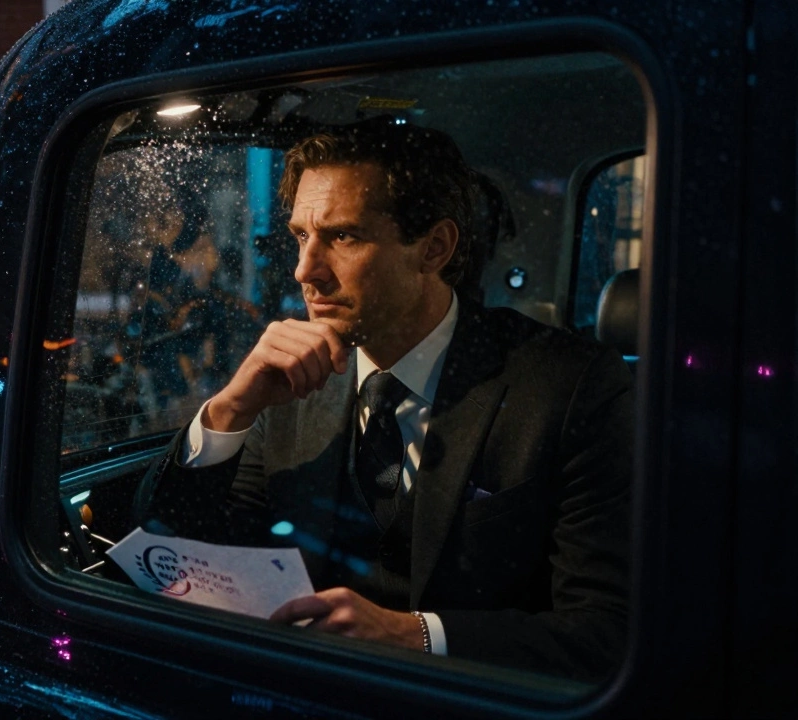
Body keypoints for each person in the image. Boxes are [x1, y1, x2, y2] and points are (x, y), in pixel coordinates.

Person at [134, 117, 633, 681]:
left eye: (343, 236)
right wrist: (229, 411)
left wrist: (416, 636)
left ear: (434, 248)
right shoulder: (290, 386)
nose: (305, 271)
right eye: (301, 235)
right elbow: (177, 551)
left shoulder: (570, 385)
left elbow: (606, 632)